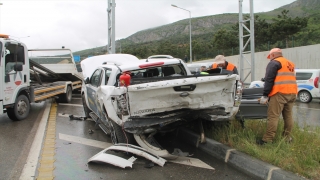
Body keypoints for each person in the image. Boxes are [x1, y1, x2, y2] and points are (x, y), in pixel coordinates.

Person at [256, 48, 297, 145]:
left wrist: (265, 95)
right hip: (292, 93)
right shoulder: (290, 63)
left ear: (273, 55)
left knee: (273, 116)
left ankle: (267, 140)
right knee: (288, 117)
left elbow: (269, 80)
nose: (270, 59)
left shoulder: (274, 63)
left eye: (270, 57)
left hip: (280, 93)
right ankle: (287, 138)